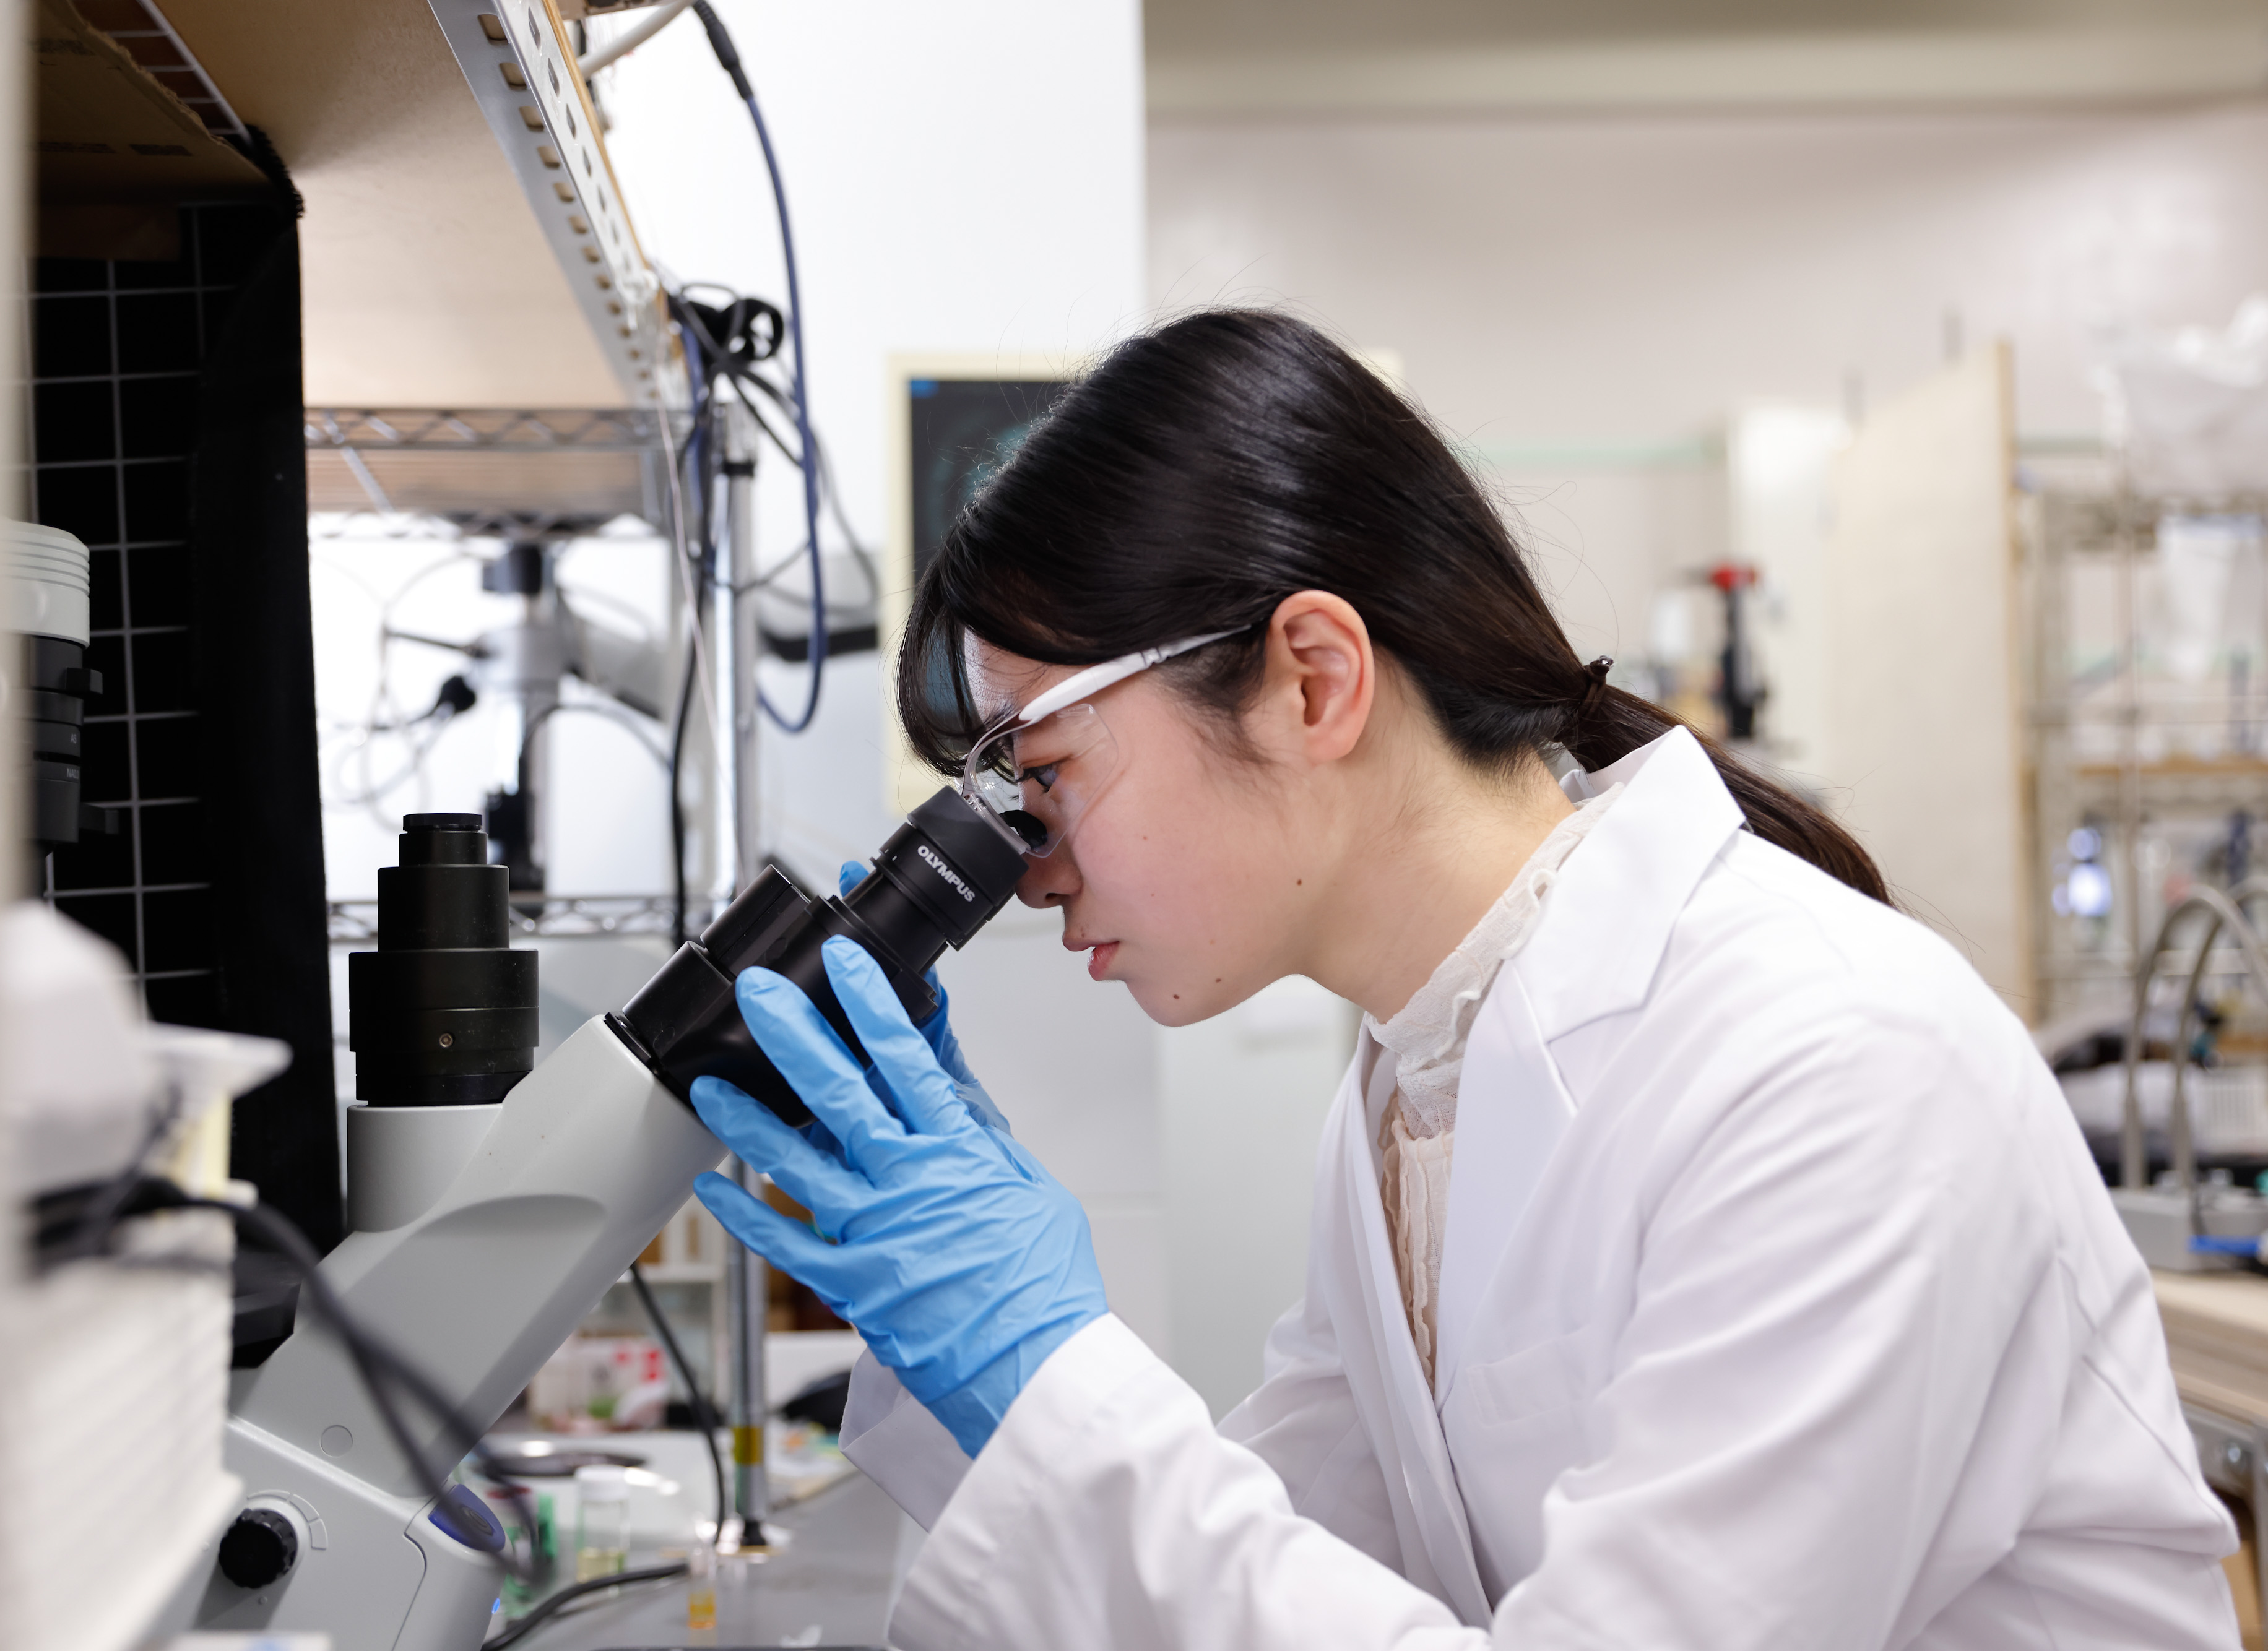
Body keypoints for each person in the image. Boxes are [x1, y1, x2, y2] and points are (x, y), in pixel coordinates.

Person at [684, 310, 2239, 1649]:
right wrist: (971, 1368)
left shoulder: (1830, 1060)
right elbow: (1294, 1562)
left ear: (1313, 677)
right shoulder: (1418, 1075)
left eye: (1044, 770)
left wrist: (1043, 1361)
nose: (1026, 866)